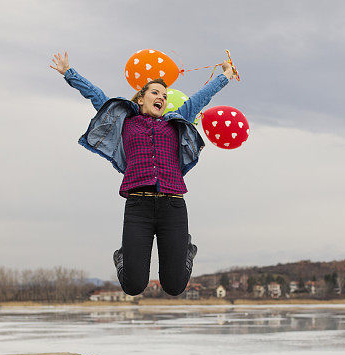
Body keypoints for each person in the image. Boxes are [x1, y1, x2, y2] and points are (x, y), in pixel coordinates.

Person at [50, 50, 233, 296]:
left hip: (173, 207)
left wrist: (225, 76)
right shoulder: (125, 120)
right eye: (155, 92)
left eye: (164, 95)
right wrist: (68, 73)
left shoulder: (175, 121)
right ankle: (122, 257)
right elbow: (95, 95)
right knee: (134, 286)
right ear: (140, 98)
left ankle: (187, 251)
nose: (162, 97)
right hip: (139, 207)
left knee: (175, 286)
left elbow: (201, 98)